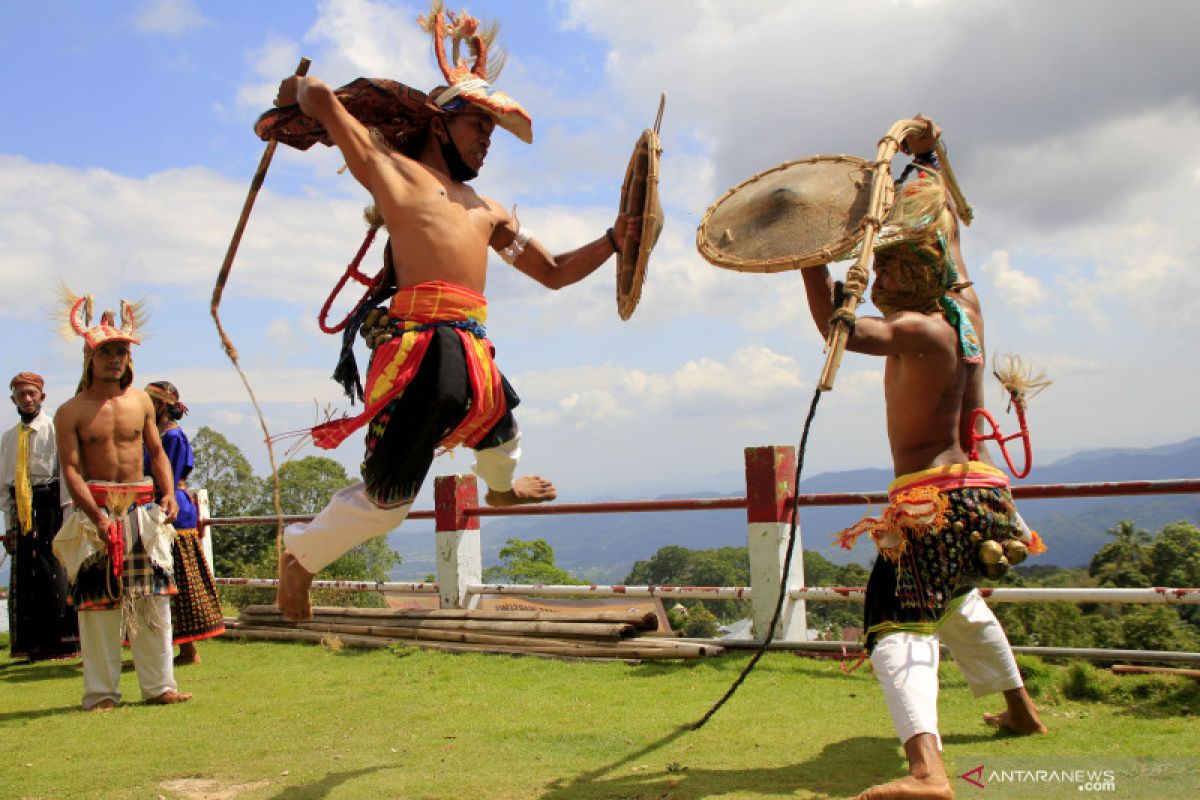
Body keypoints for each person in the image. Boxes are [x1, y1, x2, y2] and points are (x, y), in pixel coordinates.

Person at [269, 6, 637, 621]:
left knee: (502, 424)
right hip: (421, 345)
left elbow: (553, 272)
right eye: (479, 129)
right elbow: (329, 103)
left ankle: (498, 487)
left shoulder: (490, 211)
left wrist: (613, 240)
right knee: (388, 502)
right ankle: (300, 559)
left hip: (469, 342)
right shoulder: (396, 176)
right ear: (441, 126)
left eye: (493, 135)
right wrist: (303, 93)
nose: (486, 143)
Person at [799, 121, 1045, 799]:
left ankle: (928, 774)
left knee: (894, 619)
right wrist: (927, 160)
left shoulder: (917, 327)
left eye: (886, 268)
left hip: (934, 496)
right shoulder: (965, 309)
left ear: (908, 275)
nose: (879, 277)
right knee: (959, 601)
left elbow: (837, 330)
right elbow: (951, 238)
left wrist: (808, 258)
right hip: (982, 494)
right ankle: (1022, 714)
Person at [51, 296, 191, 710]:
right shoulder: (70, 411)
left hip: (141, 511)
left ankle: (159, 686)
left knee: (153, 599)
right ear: (89, 357)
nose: (114, 359)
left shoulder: (141, 403)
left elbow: (157, 453)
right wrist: (94, 516)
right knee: (98, 607)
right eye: (106, 352)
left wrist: (168, 493)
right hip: (95, 511)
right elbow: (71, 470)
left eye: (121, 352)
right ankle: (101, 693)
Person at [145, 381, 225, 665]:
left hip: (172, 510)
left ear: (160, 405)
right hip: (153, 507)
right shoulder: (154, 435)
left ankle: (188, 650)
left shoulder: (172, 437)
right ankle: (164, 647)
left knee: (180, 580)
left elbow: (169, 473)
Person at [1, 372, 78, 661]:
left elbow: (67, 475)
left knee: (54, 571)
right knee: (25, 575)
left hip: (51, 505)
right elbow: (3, 487)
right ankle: (28, 644)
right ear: (13, 400)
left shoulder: (55, 430)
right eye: (21, 394)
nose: (27, 399)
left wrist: (68, 515)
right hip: (21, 508)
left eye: (32, 393)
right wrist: (10, 526)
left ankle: (61, 643)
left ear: (42, 397)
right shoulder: (9, 438)